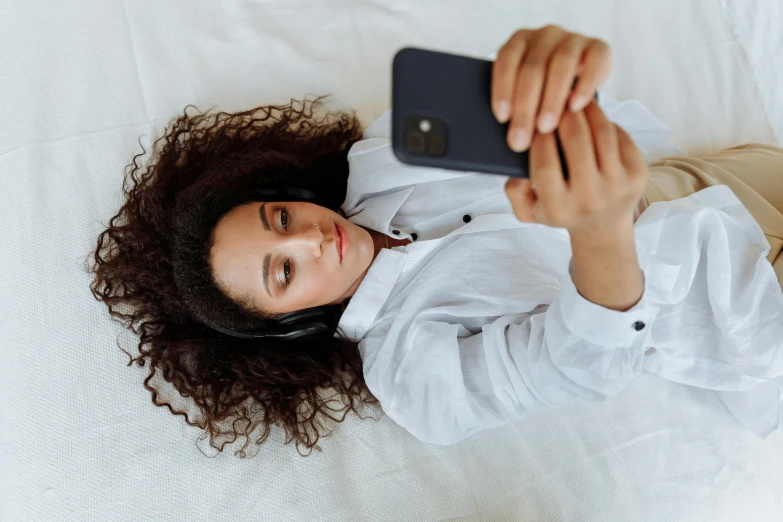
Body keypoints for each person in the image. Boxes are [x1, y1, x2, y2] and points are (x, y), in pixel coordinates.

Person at [90, 25, 783, 456]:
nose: (308, 239)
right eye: (282, 274)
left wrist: (558, 74)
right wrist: (596, 235)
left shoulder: (386, 149)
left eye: (279, 218)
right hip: (742, 305)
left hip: (710, 178)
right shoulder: (408, 373)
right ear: (288, 328)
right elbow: (576, 365)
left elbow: (555, 114)